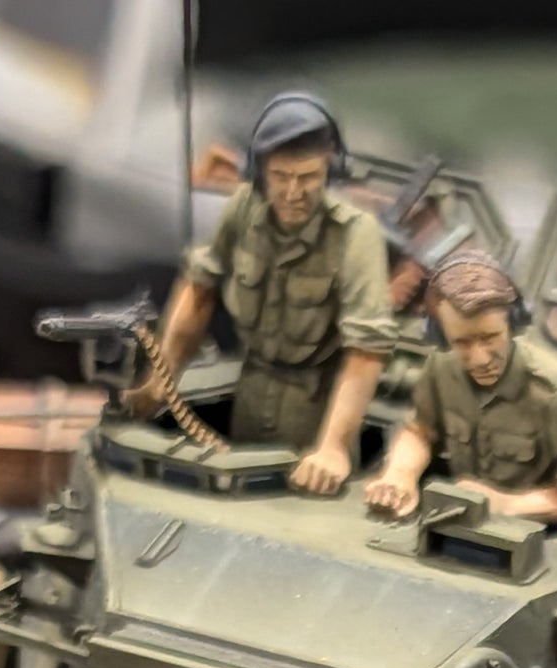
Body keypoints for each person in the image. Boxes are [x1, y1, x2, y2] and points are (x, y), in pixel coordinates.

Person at [128, 91, 392, 496]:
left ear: (330, 170)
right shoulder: (245, 209)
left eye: (308, 177)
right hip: (251, 397)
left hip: (315, 415)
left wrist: (333, 448)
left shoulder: (355, 233)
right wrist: (160, 381)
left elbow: (366, 350)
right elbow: (199, 288)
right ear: (260, 170)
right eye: (280, 177)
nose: (293, 192)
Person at [365, 250, 557, 526]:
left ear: (512, 323)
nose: (479, 360)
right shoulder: (442, 367)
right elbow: (420, 430)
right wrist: (400, 476)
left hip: (533, 531)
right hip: (459, 518)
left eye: (489, 338)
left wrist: (508, 504)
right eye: (461, 342)